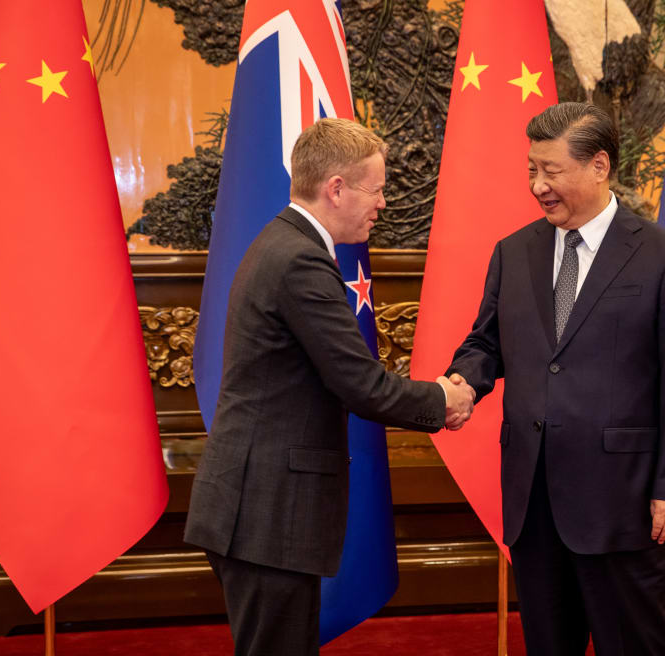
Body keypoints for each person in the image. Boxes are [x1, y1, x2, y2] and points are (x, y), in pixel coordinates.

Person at [184, 118, 475, 656]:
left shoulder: (283, 243)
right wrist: (444, 399)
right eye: (376, 188)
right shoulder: (299, 260)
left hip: (258, 507)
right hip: (267, 513)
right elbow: (362, 386)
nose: (383, 203)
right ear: (335, 188)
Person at [447, 102, 665, 655]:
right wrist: (461, 385)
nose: (538, 186)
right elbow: (485, 343)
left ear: (599, 166)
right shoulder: (513, 252)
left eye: (551, 171)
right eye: (531, 171)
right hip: (533, 500)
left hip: (625, 502)